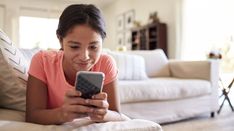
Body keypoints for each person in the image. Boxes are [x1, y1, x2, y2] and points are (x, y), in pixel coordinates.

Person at [26, 4, 130, 125]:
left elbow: (117, 114)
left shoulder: (106, 63)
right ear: (60, 40)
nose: (84, 57)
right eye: (74, 46)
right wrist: (62, 114)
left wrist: (104, 113)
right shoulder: (42, 61)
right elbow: (32, 116)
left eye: (93, 47)